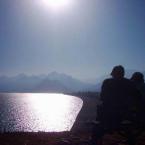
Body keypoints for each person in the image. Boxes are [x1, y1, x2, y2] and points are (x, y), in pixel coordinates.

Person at [91, 65, 141, 145]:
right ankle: (131, 140)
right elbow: (138, 98)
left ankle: (95, 140)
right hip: (125, 115)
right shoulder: (130, 83)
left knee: (98, 125)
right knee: (128, 127)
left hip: (107, 116)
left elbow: (102, 97)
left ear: (113, 74)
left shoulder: (107, 82)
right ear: (123, 74)